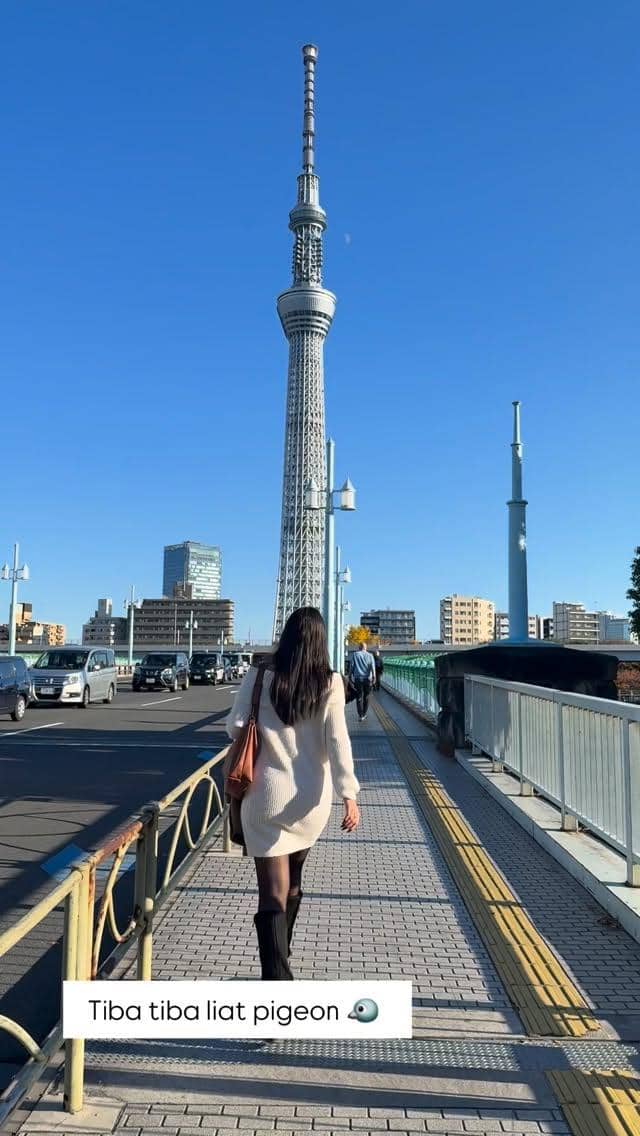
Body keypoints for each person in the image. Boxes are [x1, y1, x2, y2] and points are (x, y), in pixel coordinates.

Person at [226, 607, 360, 980]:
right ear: (321, 641)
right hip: (309, 799)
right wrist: (349, 794)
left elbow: (234, 727)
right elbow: (338, 741)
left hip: (263, 797)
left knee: (272, 893)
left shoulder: (259, 674)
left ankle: (276, 980)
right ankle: (282, 954)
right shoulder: (332, 683)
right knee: (295, 882)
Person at [349, 641, 377, 722]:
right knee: (367, 697)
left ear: (359, 647)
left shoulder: (355, 654)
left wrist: (350, 676)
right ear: (366, 647)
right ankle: (364, 714)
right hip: (367, 679)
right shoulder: (370, 655)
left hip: (358, 679)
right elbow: (372, 667)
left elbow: (352, 666)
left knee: (359, 696)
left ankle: (360, 715)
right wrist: (374, 677)